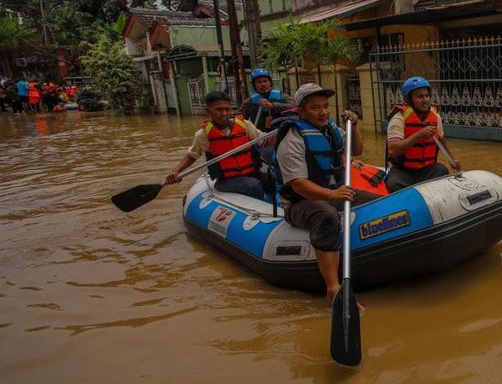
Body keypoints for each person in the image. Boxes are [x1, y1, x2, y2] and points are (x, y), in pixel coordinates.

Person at [273, 83, 380, 305]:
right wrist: (332, 196)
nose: (323, 112)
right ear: (301, 112)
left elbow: (357, 150)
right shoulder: (292, 137)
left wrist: (355, 126)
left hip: (335, 193)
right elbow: (298, 185)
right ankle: (333, 287)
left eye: (325, 106)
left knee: (379, 203)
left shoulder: (331, 130)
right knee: (327, 215)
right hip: (300, 202)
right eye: (315, 107)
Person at [165, 91, 270, 200]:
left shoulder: (245, 125)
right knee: (253, 185)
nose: (224, 113)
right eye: (219, 110)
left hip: (251, 172)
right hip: (226, 180)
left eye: (227, 109)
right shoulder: (203, 135)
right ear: (208, 111)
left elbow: (264, 140)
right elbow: (191, 156)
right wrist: (176, 171)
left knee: (270, 180)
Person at [384, 76, 460, 193]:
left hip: (427, 170)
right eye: (419, 97)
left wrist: (452, 159)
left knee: (442, 169)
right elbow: (393, 150)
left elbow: (441, 139)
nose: (425, 100)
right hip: (403, 170)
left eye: (427, 95)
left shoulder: (435, 116)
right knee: (393, 183)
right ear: (409, 99)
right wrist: (418, 135)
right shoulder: (399, 117)